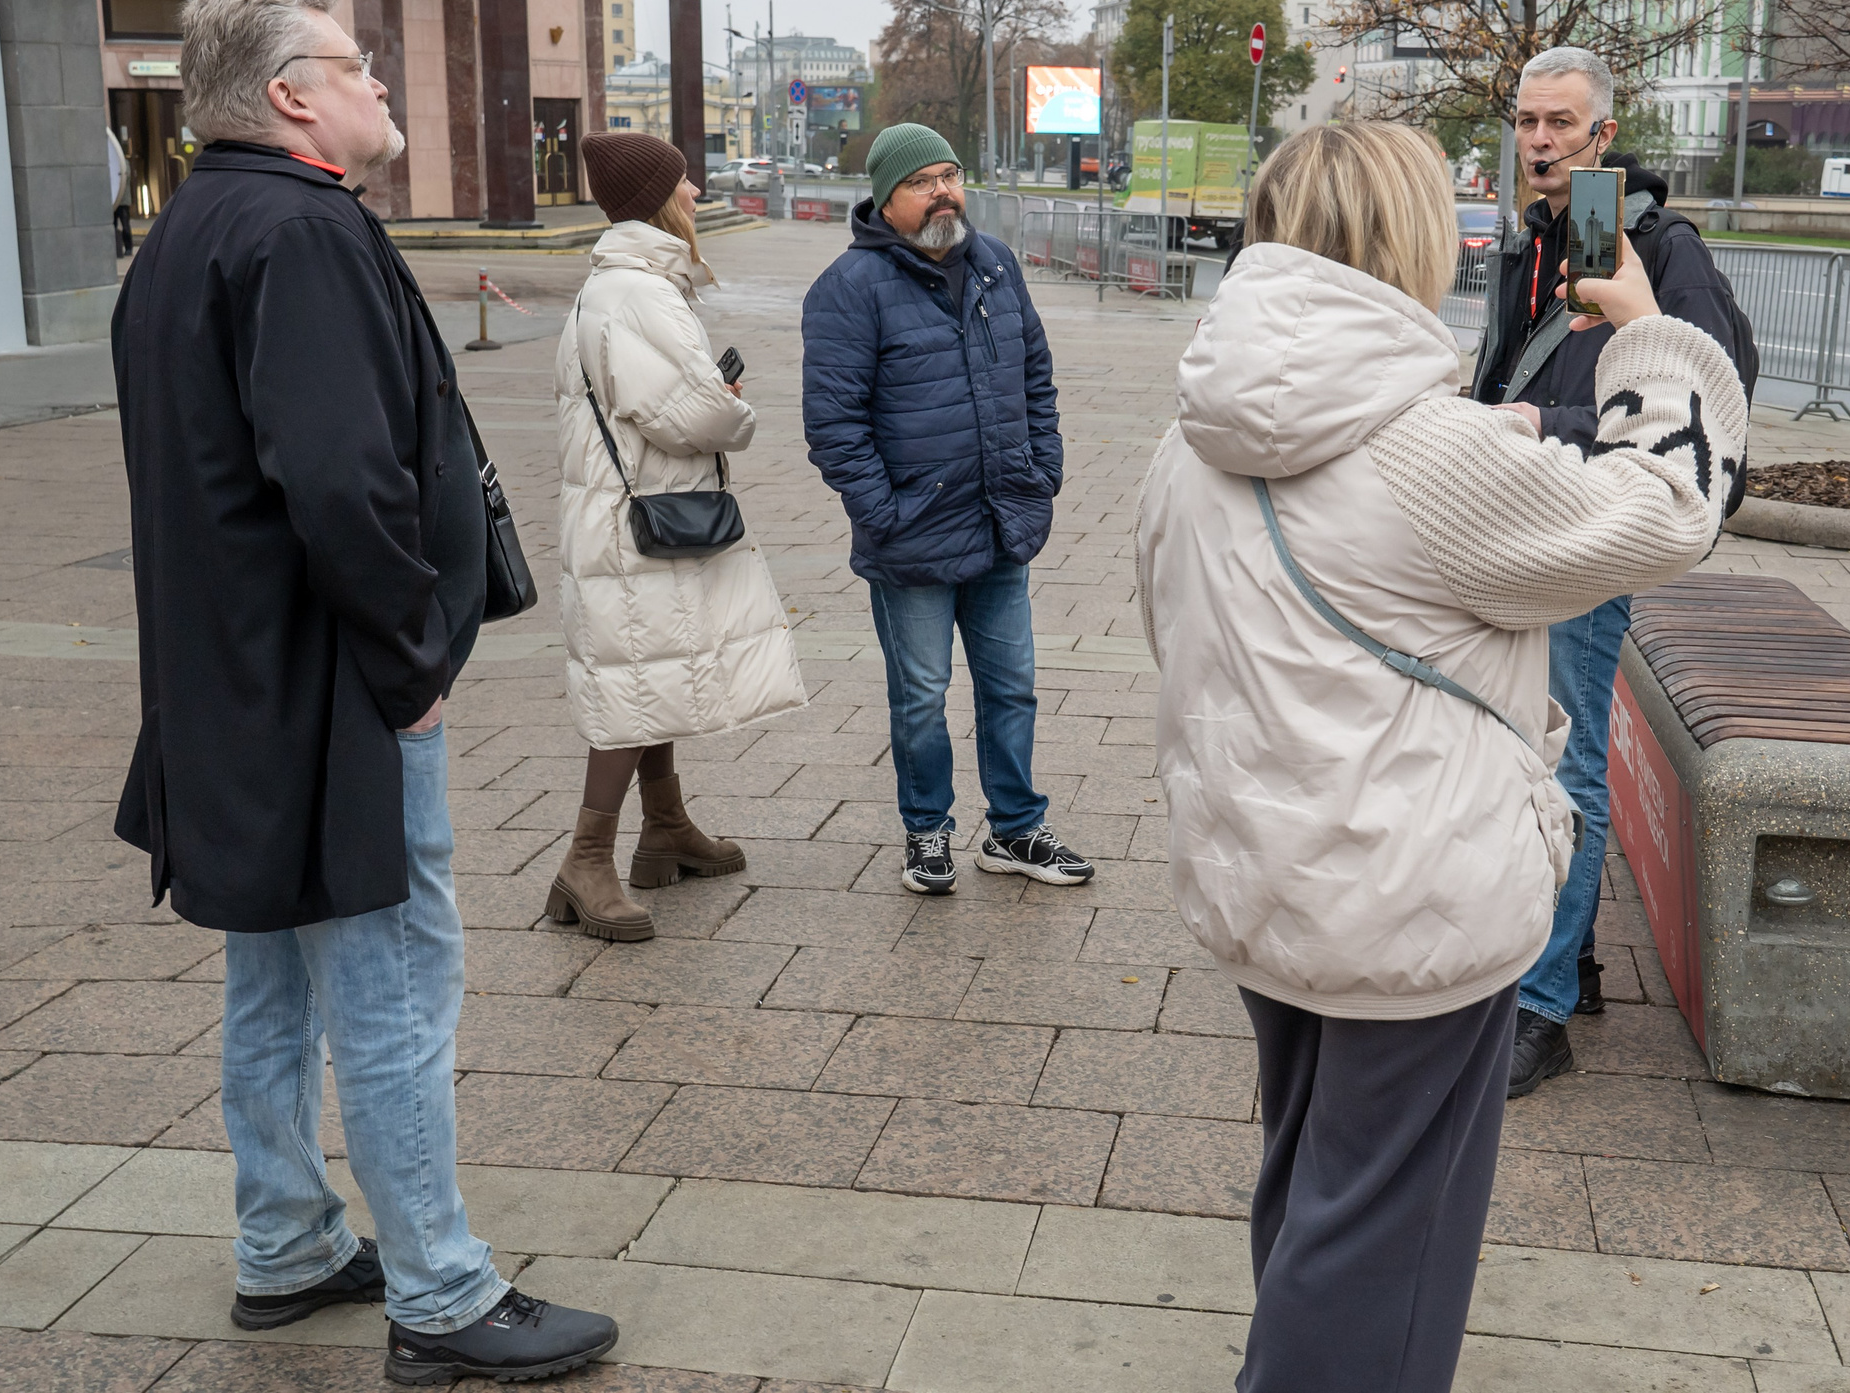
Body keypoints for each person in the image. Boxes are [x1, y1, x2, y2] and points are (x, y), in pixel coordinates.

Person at [1137, 120, 1747, 1393]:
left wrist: (1498, 452)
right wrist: (1645, 335)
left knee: (1318, 1191)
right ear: (1409, 242)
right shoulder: (1431, 456)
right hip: (1411, 899)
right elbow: (1669, 511)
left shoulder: (1189, 438)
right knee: (1385, 1251)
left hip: (1268, 875)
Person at [109, 0, 615, 1387]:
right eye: (358, 65)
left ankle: (283, 1240)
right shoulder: (300, 230)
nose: (383, 86)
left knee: (272, 971)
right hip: (330, 683)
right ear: (289, 95)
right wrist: (410, 660)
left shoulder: (190, 230)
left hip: (232, 685)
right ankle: (442, 1291)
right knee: (390, 976)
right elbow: (338, 475)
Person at [1470, 46, 1759, 1098]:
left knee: (1567, 758)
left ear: (1603, 133)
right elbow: (1515, 359)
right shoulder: (1543, 237)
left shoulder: (1649, 244)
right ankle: (1562, 954)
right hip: (1527, 513)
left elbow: (1706, 384)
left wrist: (1550, 419)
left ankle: (1539, 1010)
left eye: (1559, 124)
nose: (1537, 141)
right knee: (1527, 746)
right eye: (1525, 121)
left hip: (1589, 521)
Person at [800, 122, 1090, 895]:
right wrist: (883, 511)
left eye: (951, 175)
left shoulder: (994, 264)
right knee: (922, 696)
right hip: (913, 537)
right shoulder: (849, 288)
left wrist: (1041, 469)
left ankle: (1017, 829)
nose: (944, 192)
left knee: (1012, 684)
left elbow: (1036, 376)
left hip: (1001, 518)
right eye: (922, 182)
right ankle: (927, 832)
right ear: (886, 199)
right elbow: (833, 424)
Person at [548, 131, 806, 940]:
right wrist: (735, 407)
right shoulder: (639, 293)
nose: (695, 193)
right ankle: (586, 861)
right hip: (636, 526)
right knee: (630, 684)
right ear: (656, 199)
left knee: (652, 667)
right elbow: (692, 414)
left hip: (634, 516)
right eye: (685, 182)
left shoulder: (625, 284)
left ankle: (666, 827)